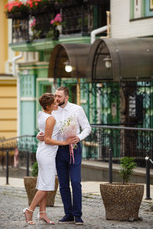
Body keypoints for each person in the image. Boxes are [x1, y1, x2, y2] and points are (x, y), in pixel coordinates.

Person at [37, 86, 91, 225]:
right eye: (55, 96)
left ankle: (78, 214)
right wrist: (39, 135)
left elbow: (87, 128)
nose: (56, 99)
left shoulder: (77, 109)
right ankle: (69, 214)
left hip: (74, 149)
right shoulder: (52, 110)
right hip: (58, 150)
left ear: (66, 97)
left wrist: (78, 137)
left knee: (75, 182)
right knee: (63, 184)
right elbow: (45, 129)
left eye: (59, 96)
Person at [23, 93, 75, 225]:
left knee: (43, 183)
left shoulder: (41, 114)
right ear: (48, 106)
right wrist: (65, 142)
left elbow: (43, 134)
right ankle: (30, 210)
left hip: (43, 152)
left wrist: (40, 135)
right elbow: (47, 139)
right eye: (54, 103)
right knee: (46, 186)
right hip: (47, 153)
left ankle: (42, 213)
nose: (57, 103)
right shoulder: (50, 119)